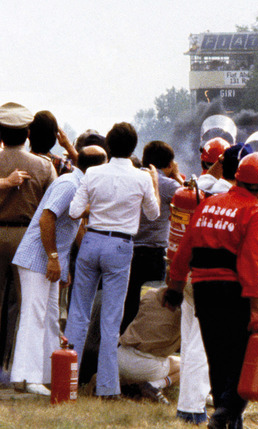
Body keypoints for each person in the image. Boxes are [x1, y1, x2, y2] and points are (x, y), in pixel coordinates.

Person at [165, 152, 258, 429]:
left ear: (237, 178)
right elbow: (250, 266)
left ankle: (227, 422)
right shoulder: (254, 213)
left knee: (217, 361)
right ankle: (223, 414)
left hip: (202, 290)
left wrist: (175, 287)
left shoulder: (208, 204)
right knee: (241, 363)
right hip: (231, 292)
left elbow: (184, 249)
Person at [64, 122, 160, 399]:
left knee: (78, 313)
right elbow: (153, 215)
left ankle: (68, 379)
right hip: (120, 245)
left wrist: (99, 208)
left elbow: (74, 211)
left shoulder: (92, 173)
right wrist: (152, 184)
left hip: (92, 240)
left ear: (108, 145)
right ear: (133, 147)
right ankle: (107, 387)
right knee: (111, 319)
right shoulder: (141, 178)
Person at [9, 146, 107, 395]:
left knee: (50, 318)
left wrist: (61, 265)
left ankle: (46, 375)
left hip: (50, 261)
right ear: (96, 168)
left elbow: (73, 226)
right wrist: (54, 258)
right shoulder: (69, 185)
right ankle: (26, 378)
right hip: (36, 259)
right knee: (35, 316)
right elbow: (46, 219)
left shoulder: (80, 185)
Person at [0, 102, 57, 371]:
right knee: (24, 305)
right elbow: (54, 208)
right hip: (28, 237)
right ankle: (17, 365)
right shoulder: (44, 167)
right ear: (27, 134)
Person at [120, 141, 183, 334]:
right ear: (169, 164)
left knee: (128, 304)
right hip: (153, 253)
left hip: (127, 248)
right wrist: (178, 177)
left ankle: (122, 342)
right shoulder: (169, 185)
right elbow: (191, 200)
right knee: (154, 304)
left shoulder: (130, 178)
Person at [118, 286, 181, 405]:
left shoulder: (150, 294)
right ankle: (155, 385)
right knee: (188, 365)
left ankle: (130, 385)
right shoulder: (184, 313)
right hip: (147, 367)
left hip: (120, 357)